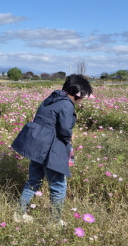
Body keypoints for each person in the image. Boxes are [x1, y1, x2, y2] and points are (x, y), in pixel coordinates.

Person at [11, 74, 94, 224]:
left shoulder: (52, 98)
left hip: (37, 147)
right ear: (78, 93)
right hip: (51, 148)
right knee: (58, 185)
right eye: (83, 97)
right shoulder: (67, 104)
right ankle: (55, 221)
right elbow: (64, 130)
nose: (82, 101)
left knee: (34, 180)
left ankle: (19, 214)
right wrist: (70, 136)